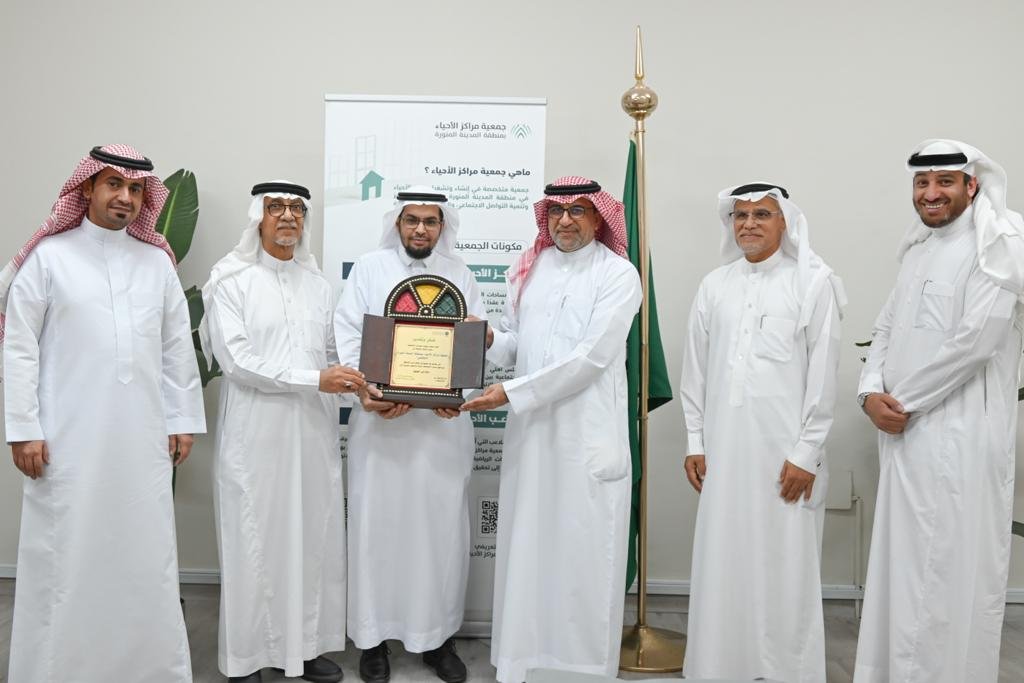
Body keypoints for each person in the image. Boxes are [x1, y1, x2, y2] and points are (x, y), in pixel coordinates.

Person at [1, 144, 206, 682]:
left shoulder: (156, 262)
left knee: (143, 554)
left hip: (141, 441)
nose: (125, 197)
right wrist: (22, 428)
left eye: (136, 189)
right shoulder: (50, 258)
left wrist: (182, 419)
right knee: (65, 554)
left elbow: (175, 348)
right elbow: (18, 349)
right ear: (87, 187)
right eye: (114, 184)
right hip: (65, 440)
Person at [854, 139, 1024, 683]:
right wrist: (868, 393)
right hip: (904, 434)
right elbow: (886, 327)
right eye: (922, 182)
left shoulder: (999, 244)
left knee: (946, 572)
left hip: (961, 438)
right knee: (903, 571)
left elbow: (976, 343)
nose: (931, 193)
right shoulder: (919, 249)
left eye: (945, 181)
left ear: (972, 185)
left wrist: (900, 402)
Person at [462, 176, 642, 683]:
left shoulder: (618, 274)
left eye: (578, 210)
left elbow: (590, 359)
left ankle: (579, 671)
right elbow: (517, 344)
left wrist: (510, 393)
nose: (565, 220)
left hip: (585, 437)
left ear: (599, 217)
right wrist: (488, 338)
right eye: (557, 211)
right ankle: (524, 663)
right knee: (529, 549)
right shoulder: (533, 267)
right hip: (532, 437)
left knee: (582, 555)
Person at [201, 181, 366, 682]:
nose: (288, 216)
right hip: (256, 435)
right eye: (276, 208)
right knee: (254, 540)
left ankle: (306, 648)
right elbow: (237, 362)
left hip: (313, 435)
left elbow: (334, 357)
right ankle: (247, 657)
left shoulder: (318, 285)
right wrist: (317, 380)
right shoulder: (229, 280)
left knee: (312, 540)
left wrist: (364, 390)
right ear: (258, 217)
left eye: (296, 208)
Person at [680, 182, 844, 682]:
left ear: (784, 222)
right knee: (723, 559)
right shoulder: (715, 285)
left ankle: (785, 671)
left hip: (785, 455)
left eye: (762, 214)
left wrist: (806, 453)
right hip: (723, 451)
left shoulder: (813, 283)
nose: (749, 224)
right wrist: (695, 442)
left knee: (784, 563)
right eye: (741, 215)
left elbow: (824, 376)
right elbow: (695, 372)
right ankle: (721, 665)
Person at [333, 187, 485, 683]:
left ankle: (436, 639)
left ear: (442, 226)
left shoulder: (461, 274)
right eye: (411, 220)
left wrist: (457, 392)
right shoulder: (369, 269)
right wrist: (368, 390)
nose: (421, 229)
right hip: (381, 427)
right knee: (377, 531)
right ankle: (372, 640)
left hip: (441, 432)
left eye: (430, 221)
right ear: (397, 224)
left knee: (439, 534)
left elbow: (473, 340)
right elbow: (348, 334)